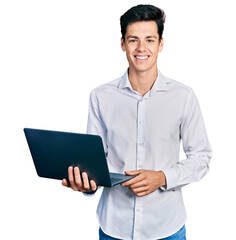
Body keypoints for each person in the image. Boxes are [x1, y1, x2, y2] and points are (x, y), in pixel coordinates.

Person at [62, 4, 212, 240]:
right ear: (122, 44)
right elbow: (95, 160)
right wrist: (87, 184)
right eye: (133, 40)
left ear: (161, 44)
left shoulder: (183, 96)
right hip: (114, 227)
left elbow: (202, 157)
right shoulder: (101, 96)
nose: (142, 48)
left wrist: (163, 177)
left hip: (166, 227)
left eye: (150, 39)